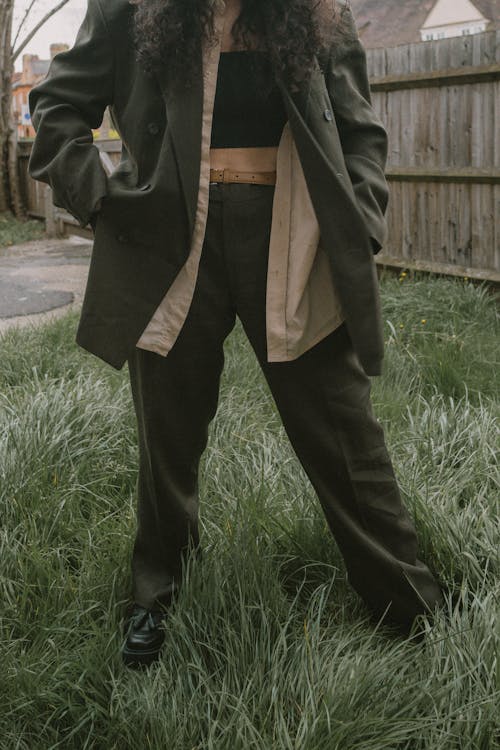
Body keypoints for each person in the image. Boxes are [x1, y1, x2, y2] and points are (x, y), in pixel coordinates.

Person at [28, 0, 443, 668]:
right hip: (170, 237)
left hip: (292, 234)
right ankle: (156, 596)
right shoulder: (131, 9)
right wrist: (100, 197)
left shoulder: (317, 15)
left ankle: (407, 601)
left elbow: (361, 133)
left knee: (344, 430)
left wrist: (359, 223)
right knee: (168, 434)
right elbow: (55, 106)